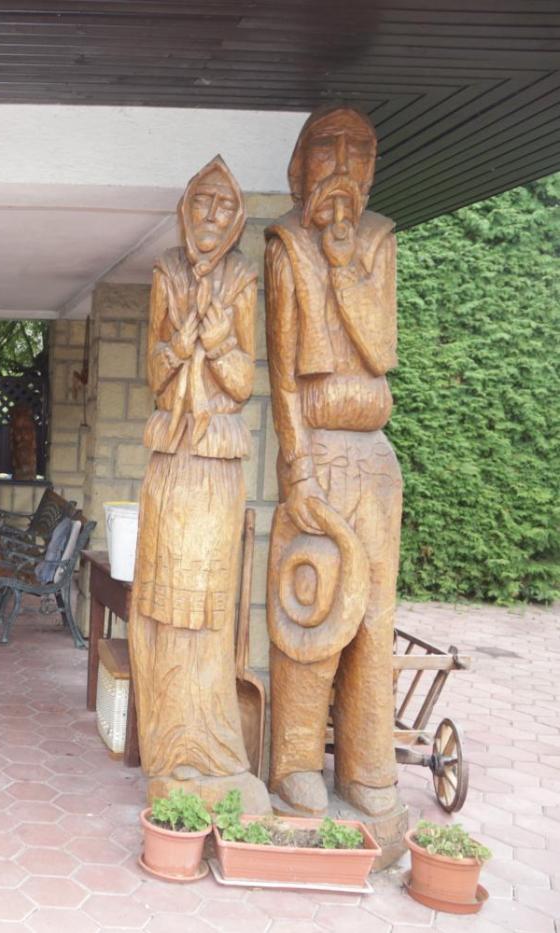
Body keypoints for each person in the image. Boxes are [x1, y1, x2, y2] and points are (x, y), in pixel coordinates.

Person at [265, 105, 401, 819]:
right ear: (301, 167)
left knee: (374, 615)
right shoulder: (286, 245)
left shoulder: (378, 241)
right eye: (327, 147)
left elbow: (380, 349)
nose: (343, 163)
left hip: (373, 458)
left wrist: (345, 264)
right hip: (316, 453)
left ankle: (369, 765)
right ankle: (295, 762)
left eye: (358, 149)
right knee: (309, 606)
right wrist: (296, 468)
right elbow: (283, 373)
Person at [128, 156, 269, 811]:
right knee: (161, 605)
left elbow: (242, 382)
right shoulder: (166, 272)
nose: (212, 215)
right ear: (185, 210)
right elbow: (154, 370)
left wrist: (221, 345)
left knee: (207, 608)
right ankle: (166, 741)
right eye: (202, 202)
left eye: (224, 205)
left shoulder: (243, 278)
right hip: (171, 460)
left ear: (236, 218)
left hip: (214, 461)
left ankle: (208, 742)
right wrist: (179, 348)